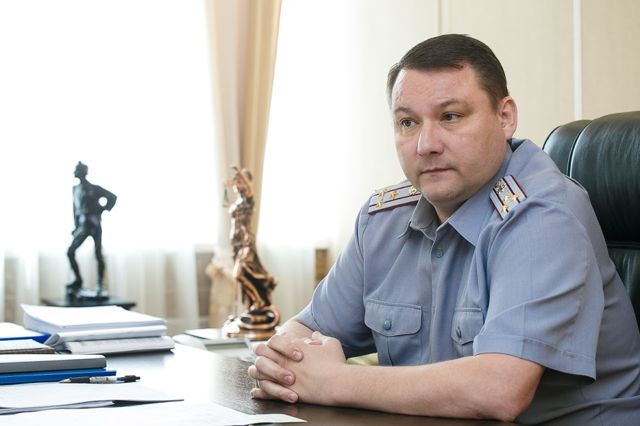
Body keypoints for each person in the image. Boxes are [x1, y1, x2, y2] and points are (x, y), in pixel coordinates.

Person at [248, 34, 640, 424]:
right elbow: (304, 330)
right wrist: (287, 365)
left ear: (505, 117)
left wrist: (332, 381)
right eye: (408, 122)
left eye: (450, 116)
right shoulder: (382, 219)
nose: (426, 144)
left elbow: (499, 390)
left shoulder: (543, 215)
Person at [66, 161, 117, 300]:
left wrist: (102, 210)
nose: (74, 172)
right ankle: (78, 280)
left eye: (76, 170)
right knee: (70, 252)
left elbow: (112, 197)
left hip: (94, 223)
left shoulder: (95, 188)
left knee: (98, 254)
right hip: (82, 224)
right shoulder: (75, 189)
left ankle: (100, 284)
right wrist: (76, 226)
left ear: (82, 172)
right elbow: (75, 210)